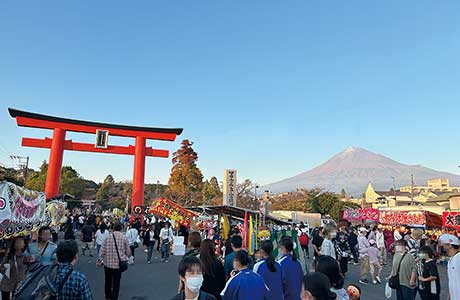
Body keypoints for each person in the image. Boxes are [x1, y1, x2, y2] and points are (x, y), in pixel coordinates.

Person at [97, 221, 131, 300]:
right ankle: (114, 298)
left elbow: (102, 251)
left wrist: (99, 261)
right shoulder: (124, 237)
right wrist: (126, 256)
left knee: (107, 281)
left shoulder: (108, 237)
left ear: (112, 228)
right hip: (118, 265)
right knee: (116, 283)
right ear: (121, 228)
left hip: (108, 264)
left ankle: (107, 296)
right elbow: (128, 252)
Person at [278, 236, 303, 300]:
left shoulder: (280, 263)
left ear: (283, 248)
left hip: (287, 296)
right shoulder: (297, 262)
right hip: (298, 296)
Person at [438, 234, 459, 300]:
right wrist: (449, 296)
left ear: (450, 245)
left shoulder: (458, 258)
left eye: (443, 244)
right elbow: (452, 281)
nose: (440, 246)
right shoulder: (450, 260)